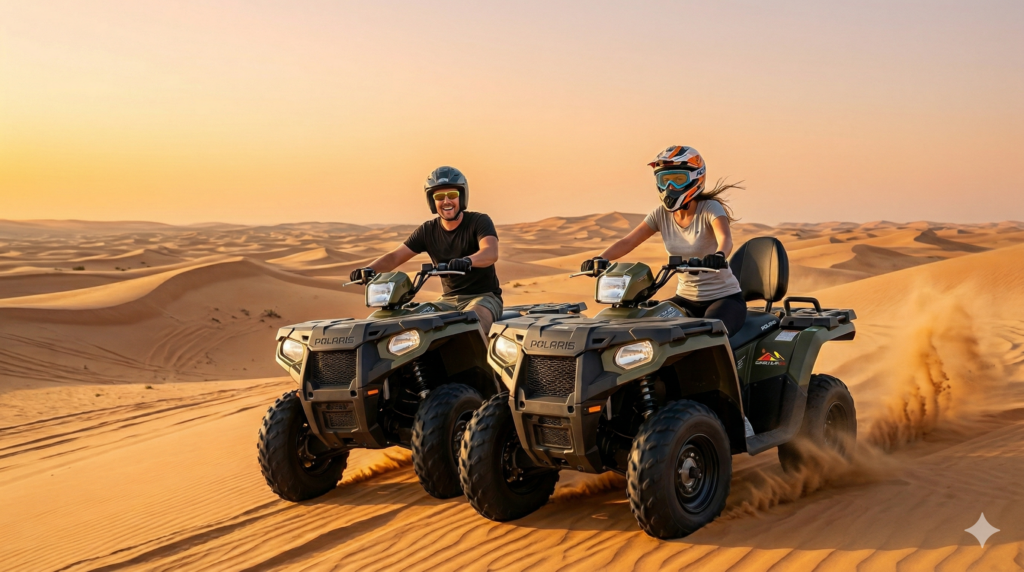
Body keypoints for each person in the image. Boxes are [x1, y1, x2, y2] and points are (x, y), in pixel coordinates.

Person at [582, 146, 747, 334]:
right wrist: (600, 259)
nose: (671, 187)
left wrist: (719, 255)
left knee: (710, 335)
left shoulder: (710, 208)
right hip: (684, 298)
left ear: (696, 178)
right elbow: (628, 242)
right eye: (665, 180)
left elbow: (725, 238)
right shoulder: (661, 214)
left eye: (678, 180)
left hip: (723, 298)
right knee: (649, 328)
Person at [350, 166, 502, 340]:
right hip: (447, 301)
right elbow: (395, 256)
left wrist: (467, 260)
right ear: (432, 201)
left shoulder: (479, 221)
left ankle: (485, 366)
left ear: (462, 197)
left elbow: (490, 252)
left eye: (452, 195)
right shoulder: (427, 230)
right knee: (410, 322)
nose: (446, 201)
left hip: (483, 298)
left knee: (472, 322)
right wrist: (368, 270)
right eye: (439, 196)